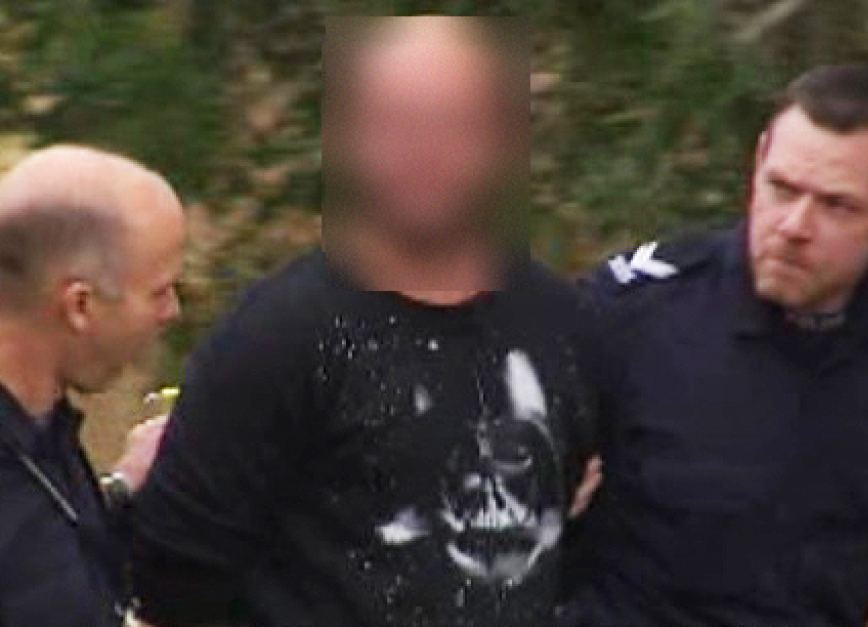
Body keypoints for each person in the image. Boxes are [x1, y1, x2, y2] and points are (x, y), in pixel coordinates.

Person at [132, 16, 600, 627]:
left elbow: (584, 544)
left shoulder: (566, 328)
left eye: (454, 123)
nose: (423, 152)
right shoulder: (278, 335)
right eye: (394, 124)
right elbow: (173, 574)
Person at [570, 63, 868, 627]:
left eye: (836, 205)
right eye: (781, 188)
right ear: (760, 158)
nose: (794, 226)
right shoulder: (638, 311)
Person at [0, 145, 185, 626]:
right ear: (79, 306)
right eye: (159, 291)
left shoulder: (41, 428)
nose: (172, 311)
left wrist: (123, 489)